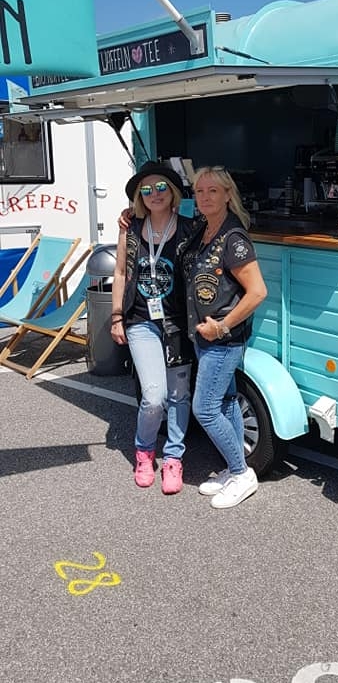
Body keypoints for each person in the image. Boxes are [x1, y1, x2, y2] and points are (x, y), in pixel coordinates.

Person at [181, 166, 267, 509]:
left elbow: (257, 292)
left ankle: (242, 474)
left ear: (228, 195)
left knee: (204, 408)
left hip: (222, 340)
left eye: (213, 191)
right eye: (199, 191)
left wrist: (222, 326)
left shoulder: (233, 238)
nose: (204, 197)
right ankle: (235, 469)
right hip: (202, 337)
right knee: (227, 402)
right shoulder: (203, 229)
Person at [111, 160, 197, 494]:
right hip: (141, 320)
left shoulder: (190, 228)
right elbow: (121, 272)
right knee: (154, 396)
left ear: (172, 192)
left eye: (161, 187)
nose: (154, 194)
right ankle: (144, 452)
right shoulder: (130, 228)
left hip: (178, 324)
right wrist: (116, 316)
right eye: (146, 190)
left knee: (179, 395)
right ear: (139, 197)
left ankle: (174, 457)